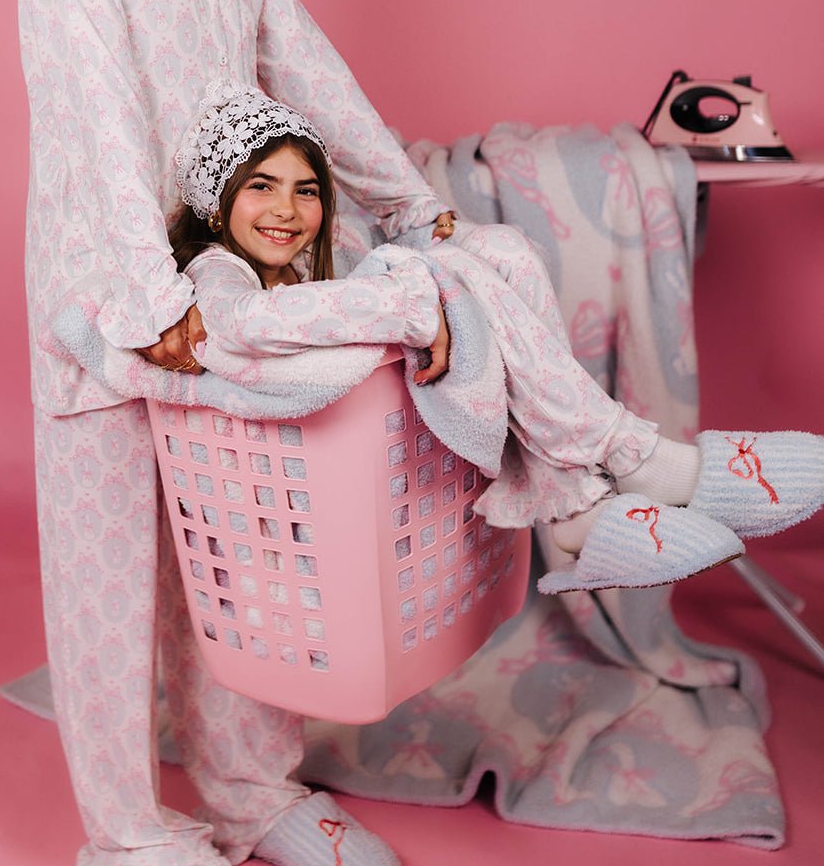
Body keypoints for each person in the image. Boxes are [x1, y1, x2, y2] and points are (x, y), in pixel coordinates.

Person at [16, 0, 457, 866]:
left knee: (246, 549)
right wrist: (147, 299)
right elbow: (90, 108)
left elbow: (307, 74)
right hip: (111, 294)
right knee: (109, 566)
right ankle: (132, 828)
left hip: (235, 292)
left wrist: (417, 208)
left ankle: (256, 787)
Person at [168, 82, 824, 595]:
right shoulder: (217, 268)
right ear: (216, 201)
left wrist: (427, 271)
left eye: (305, 191)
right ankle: (628, 463)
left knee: (499, 249)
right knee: (431, 272)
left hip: (399, 458)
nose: (286, 209)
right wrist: (418, 297)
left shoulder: (310, 258)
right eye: (260, 188)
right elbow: (244, 323)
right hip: (308, 496)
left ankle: (574, 500)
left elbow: (361, 283)